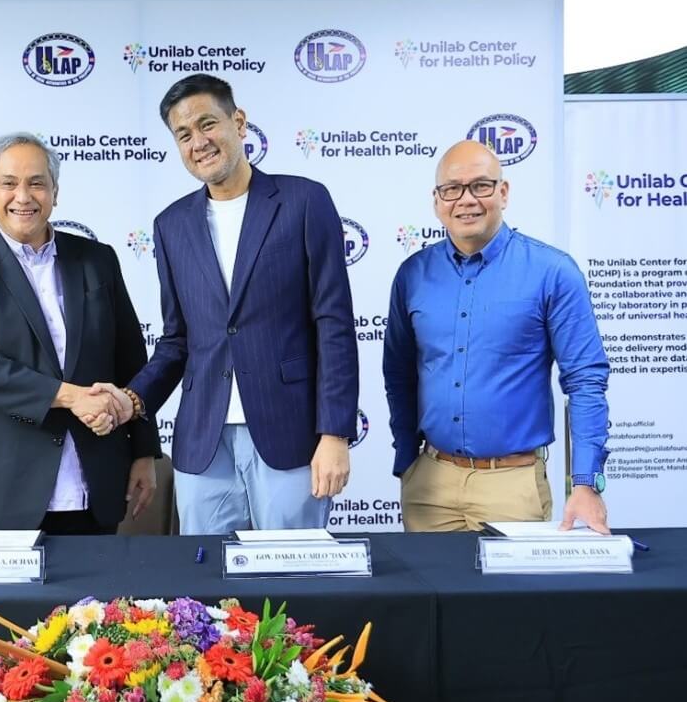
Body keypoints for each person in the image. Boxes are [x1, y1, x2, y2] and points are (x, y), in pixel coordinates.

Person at [95, 74, 358, 534]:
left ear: (239, 122)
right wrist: (133, 399)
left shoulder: (303, 201)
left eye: (207, 124)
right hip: (203, 442)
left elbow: (333, 324)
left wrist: (334, 433)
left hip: (290, 435)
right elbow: (177, 341)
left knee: (292, 583)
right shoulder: (171, 225)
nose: (199, 142)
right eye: (184, 134)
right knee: (206, 593)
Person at [0, 132, 161, 534]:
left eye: (37, 183)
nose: (24, 196)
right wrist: (73, 397)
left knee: (93, 599)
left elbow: (130, 360)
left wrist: (143, 451)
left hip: (95, 484)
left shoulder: (97, 259)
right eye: (9, 183)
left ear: (54, 192)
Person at [383, 139, 611, 533]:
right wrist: (407, 457)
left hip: (513, 487)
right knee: (428, 596)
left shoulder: (552, 271)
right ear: (437, 202)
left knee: (510, 598)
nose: (466, 200)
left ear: (503, 193)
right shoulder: (412, 275)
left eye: (481, 186)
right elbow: (399, 372)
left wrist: (587, 483)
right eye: (452, 189)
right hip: (430, 485)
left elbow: (586, 381)